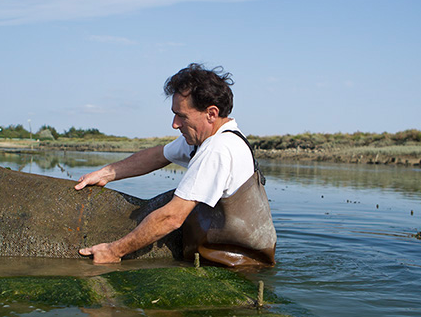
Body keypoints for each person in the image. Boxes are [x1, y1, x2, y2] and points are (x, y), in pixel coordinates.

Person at [75, 63, 276, 265]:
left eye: (182, 116)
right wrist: (106, 174)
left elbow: (171, 218)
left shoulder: (218, 148)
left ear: (211, 113)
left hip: (238, 268)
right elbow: (158, 155)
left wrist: (113, 251)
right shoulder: (210, 138)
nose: (174, 124)